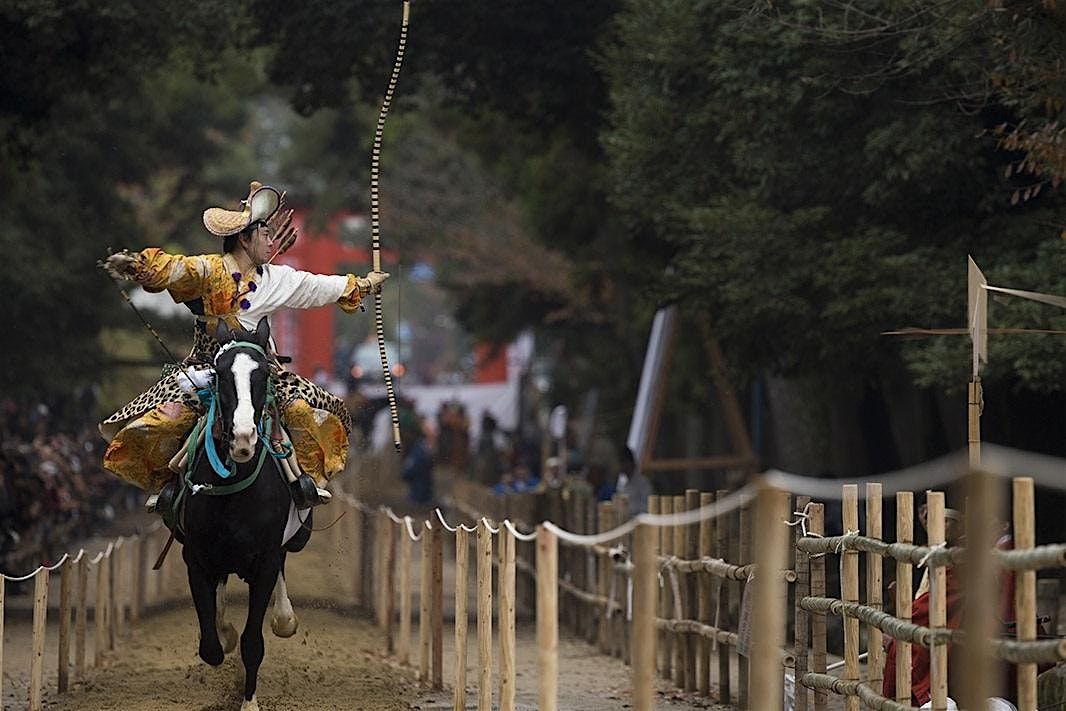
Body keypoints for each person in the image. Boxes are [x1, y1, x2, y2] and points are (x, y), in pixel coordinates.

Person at [100, 181, 388, 510]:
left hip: (261, 370)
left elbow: (317, 286)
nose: (271, 242)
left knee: (302, 413)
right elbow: (174, 268)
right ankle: (169, 484)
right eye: (265, 235)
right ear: (244, 239)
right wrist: (137, 265)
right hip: (207, 368)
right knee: (166, 421)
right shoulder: (207, 270)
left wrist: (363, 284)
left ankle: (304, 482)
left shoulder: (277, 278)